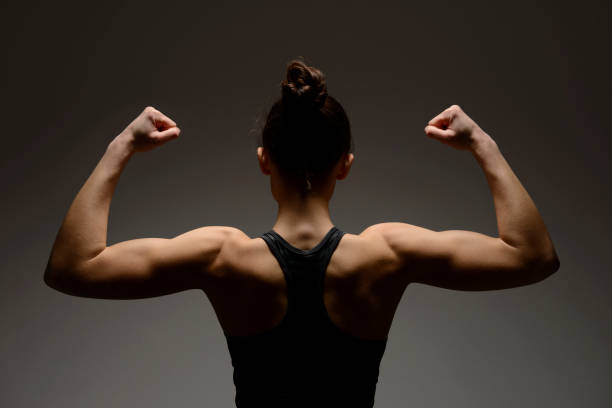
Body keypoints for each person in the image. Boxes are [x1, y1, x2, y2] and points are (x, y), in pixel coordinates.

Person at [44, 58, 560, 407]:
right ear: (346, 165)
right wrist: (483, 145)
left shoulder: (224, 258)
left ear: (264, 162)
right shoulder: (387, 254)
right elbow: (533, 255)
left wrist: (120, 148)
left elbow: (72, 267)